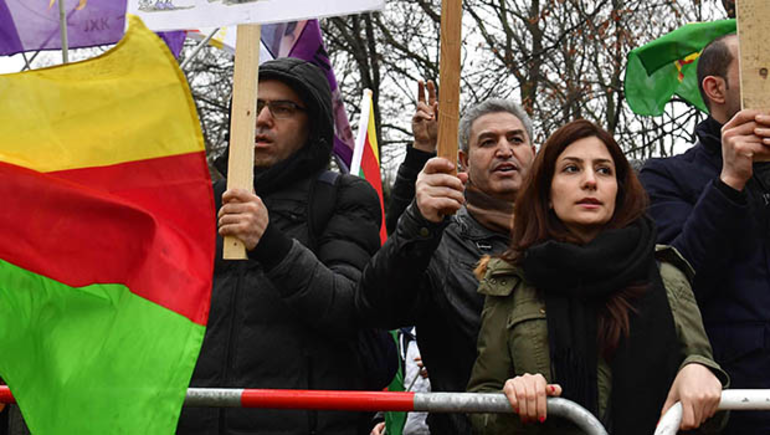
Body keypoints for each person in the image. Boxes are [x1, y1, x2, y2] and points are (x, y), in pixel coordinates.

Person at [468, 119, 728, 434]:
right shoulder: (514, 280)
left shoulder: (666, 274)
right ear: (547, 192)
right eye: (571, 169)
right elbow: (479, 407)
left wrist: (699, 370)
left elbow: (708, 395)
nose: (590, 181)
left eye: (604, 170)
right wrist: (515, 400)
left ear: (619, 189)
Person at [176, 58, 383, 434]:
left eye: (283, 108)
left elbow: (347, 310)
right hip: (196, 420)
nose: (262, 119)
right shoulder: (200, 203)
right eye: (251, 107)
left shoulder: (342, 197)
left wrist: (270, 244)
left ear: (313, 124)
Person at [356, 87, 537, 434]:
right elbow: (377, 306)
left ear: (534, 151)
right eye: (487, 142)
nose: (504, 150)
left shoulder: (567, 234)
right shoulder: (437, 242)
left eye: (516, 139)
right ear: (464, 161)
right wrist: (419, 221)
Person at [639, 33, 770, 434]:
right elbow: (681, 284)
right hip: (729, 408)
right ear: (715, 88)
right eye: (761, 71)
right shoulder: (663, 176)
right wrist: (729, 181)